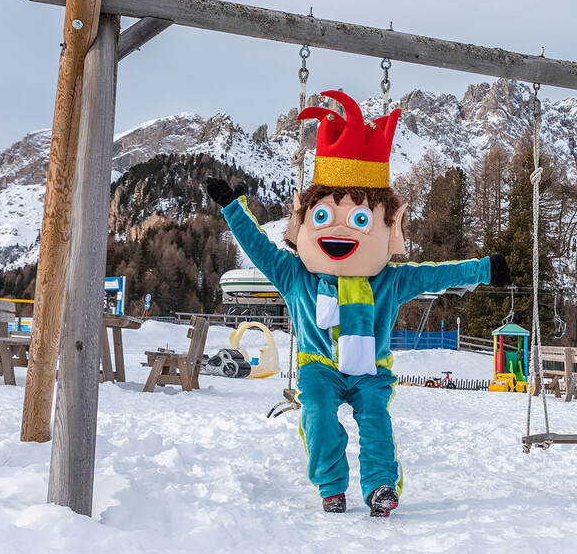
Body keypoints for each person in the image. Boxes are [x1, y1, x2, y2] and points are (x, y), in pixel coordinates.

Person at [207, 90, 511, 517]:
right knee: (317, 411)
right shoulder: (297, 275)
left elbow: (437, 274)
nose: (341, 232)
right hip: (319, 366)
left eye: (361, 221)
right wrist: (232, 208)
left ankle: (380, 485)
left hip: (370, 370)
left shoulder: (388, 280)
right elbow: (259, 248)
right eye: (323, 217)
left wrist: (483, 268)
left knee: (375, 417)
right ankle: (332, 485)